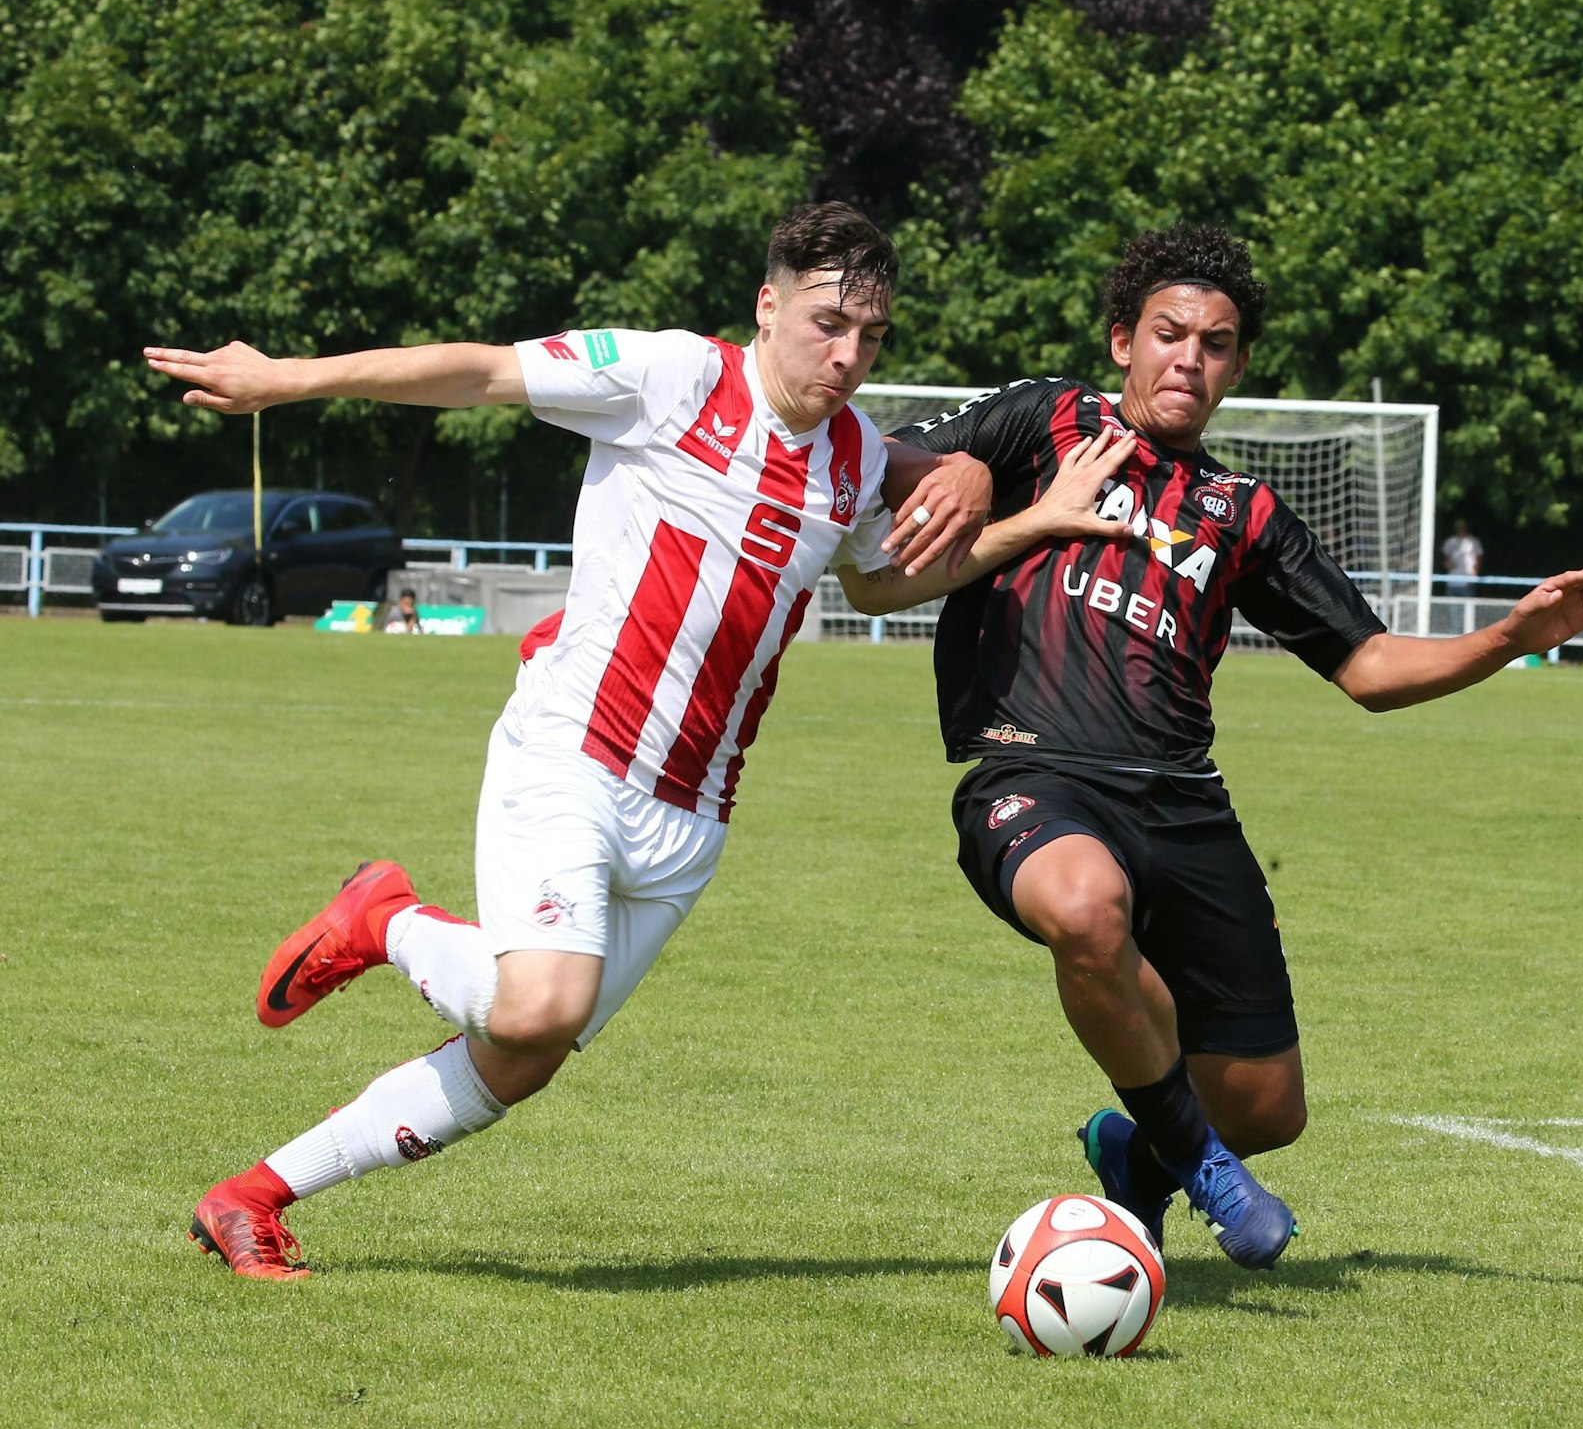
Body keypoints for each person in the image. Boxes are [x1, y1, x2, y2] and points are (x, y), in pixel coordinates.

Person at [144, 202, 1119, 1281]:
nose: (847, 356)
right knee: (541, 1006)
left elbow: (882, 585)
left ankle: (252, 1198)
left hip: (694, 817)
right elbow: (478, 371)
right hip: (574, 753)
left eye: (871, 336)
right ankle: (388, 920)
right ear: (767, 305)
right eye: (827, 324)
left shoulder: (850, 454)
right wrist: (284, 380)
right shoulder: (672, 377)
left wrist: (1033, 518)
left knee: (522, 1060)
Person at [855, 223, 1583, 1269]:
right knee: (1084, 910)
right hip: (1034, 773)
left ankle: (1138, 1154)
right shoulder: (1047, 419)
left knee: (1266, 1108)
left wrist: (1507, 638)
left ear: (1237, 365)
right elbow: (873, 453)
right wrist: (961, 472)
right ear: (1122, 340)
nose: (1189, 359)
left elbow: (1368, 667)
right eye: (1168, 334)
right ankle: (1205, 1172)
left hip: (1184, 804)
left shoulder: (1243, 511)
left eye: (1215, 344)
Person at [1441, 517, 1483, 599]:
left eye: (1462, 527)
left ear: (1466, 528)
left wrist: (1475, 572)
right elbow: (1446, 559)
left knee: (1468, 604)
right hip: (1452, 581)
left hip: (1468, 579)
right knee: (1452, 605)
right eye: (1458, 527)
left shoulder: (1473, 541)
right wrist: (1448, 564)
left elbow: (1478, 558)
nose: (1460, 529)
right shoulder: (1450, 541)